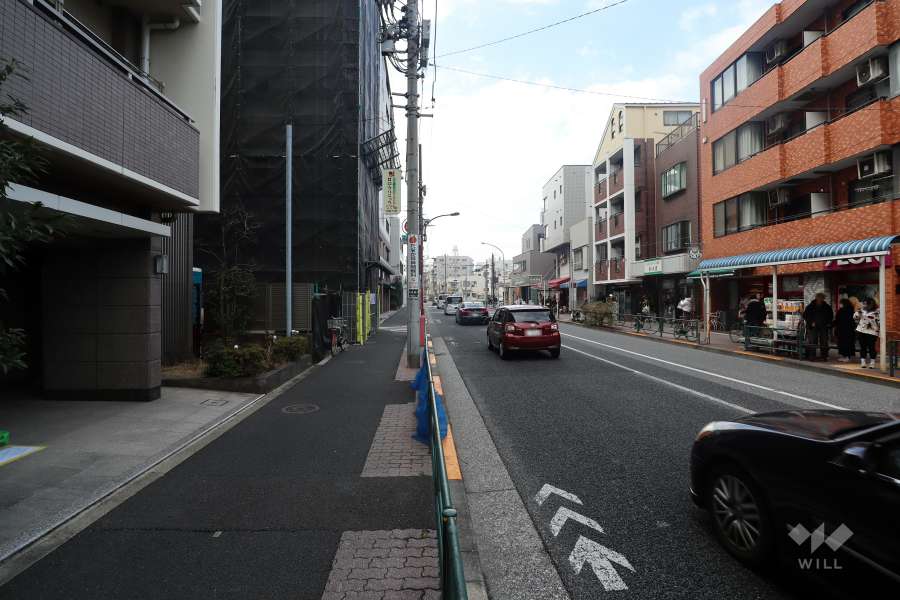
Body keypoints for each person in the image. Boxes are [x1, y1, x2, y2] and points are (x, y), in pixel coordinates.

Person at [803, 292, 834, 360]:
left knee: (824, 341)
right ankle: (812, 356)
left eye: (822, 298)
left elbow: (830, 316)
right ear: (816, 298)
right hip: (812, 326)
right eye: (819, 297)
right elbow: (805, 315)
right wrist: (811, 322)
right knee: (812, 340)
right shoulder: (810, 306)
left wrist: (828, 323)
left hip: (823, 326)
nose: (820, 299)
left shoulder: (827, 307)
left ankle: (824, 356)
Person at [855, 297, 879, 369]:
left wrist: (870, 318)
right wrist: (858, 314)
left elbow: (878, 321)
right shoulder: (862, 310)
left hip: (872, 332)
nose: (864, 305)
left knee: (871, 347)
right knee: (863, 347)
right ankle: (863, 362)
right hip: (861, 331)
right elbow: (855, 317)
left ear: (871, 304)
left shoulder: (877, 311)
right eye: (863, 304)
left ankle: (872, 362)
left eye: (866, 304)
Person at [833, 298, 857, 362]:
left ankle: (846, 356)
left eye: (840, 303)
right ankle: (847, 356)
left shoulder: (842, 311)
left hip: (843, 330)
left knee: (844, 343)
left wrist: (832, 324)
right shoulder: (851, 310)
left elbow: (838, 320)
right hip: (849, 330)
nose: (840, 304)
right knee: (848, 343)